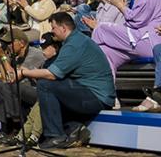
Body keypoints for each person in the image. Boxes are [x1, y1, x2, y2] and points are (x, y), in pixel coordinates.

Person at [19, 12, 114, 150]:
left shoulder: (74, 44)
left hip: (96, 98)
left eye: (53, 28)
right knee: (49, 94)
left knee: (45, 84)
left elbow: (52, 75)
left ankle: (55, 136)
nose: (52, 32)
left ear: (63, 28)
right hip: (88, 93)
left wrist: (23, 72)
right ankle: (75, 128)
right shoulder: (74, 41)